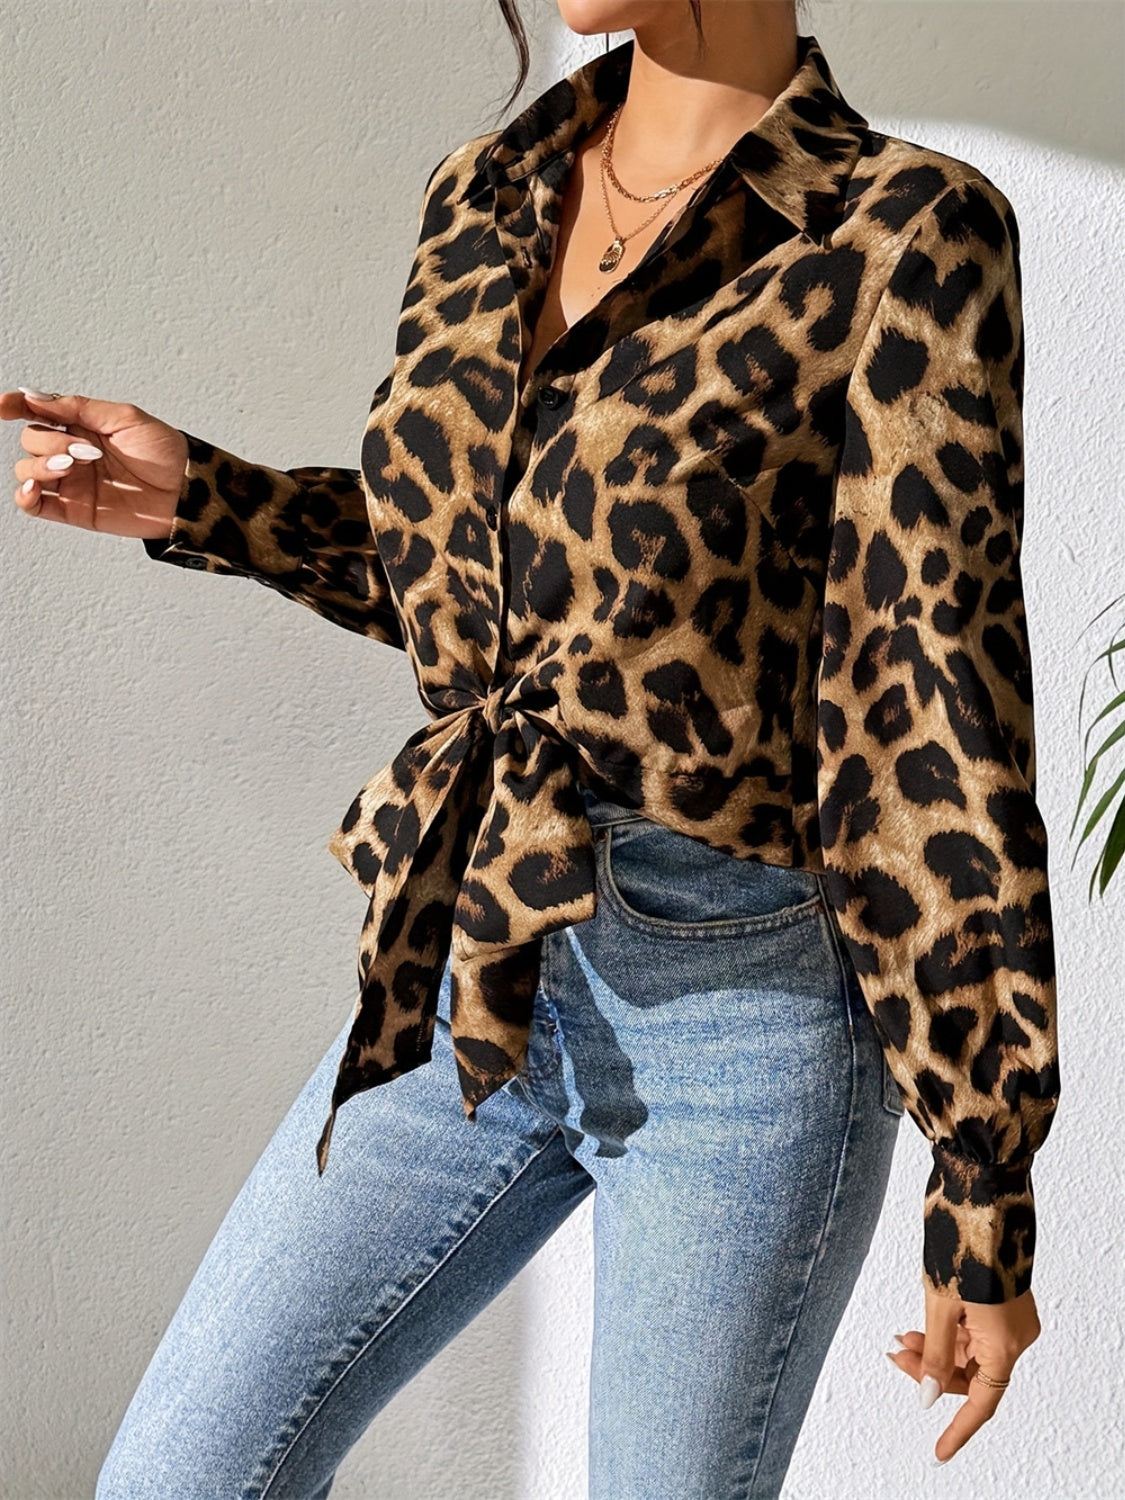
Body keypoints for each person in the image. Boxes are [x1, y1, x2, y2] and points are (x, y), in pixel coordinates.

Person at [4, 0, 1059, 1494]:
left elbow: (931, 704)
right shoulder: (485, 194)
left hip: (740, 1014)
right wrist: (215, 500)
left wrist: (983, 1178)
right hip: (475, 953)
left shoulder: (905, 230)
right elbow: (491, 593)